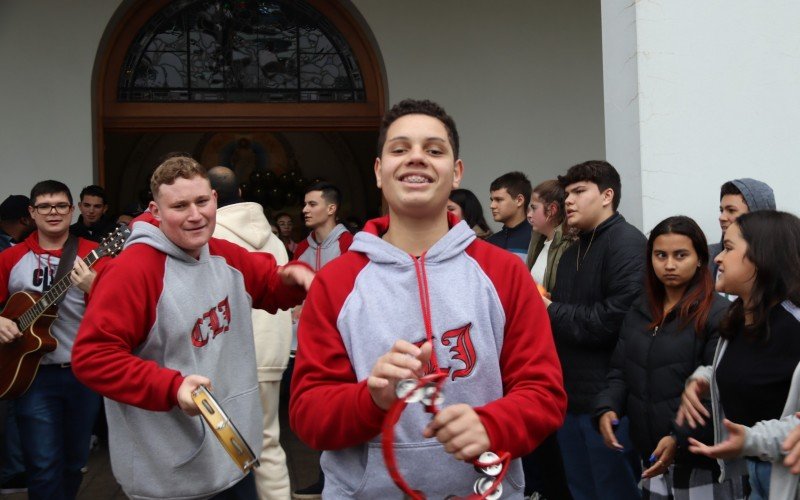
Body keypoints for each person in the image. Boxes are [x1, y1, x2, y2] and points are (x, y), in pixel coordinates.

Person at [289, 99, 566, 498]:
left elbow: (544, 394)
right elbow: (308, 415)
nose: (416, 158)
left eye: (434, 150)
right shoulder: (337, 283)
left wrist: (492, 424)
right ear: (379, 172)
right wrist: (371, 399)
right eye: (400, 149)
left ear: (455, 173)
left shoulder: (503, 274)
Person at [71, 157, 313, 500]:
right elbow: (93, 357)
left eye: (202, 202)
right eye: (180, 206)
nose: (195, 214)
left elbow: (268, 284)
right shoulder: (133, 271)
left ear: (215, 199)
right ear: (155, 210)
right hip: (170, 477)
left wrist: (291, 279)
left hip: (234, 457)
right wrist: (172, 387)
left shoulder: (221, 253)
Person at [594, 216, 745, 499]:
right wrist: (608, 407)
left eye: (681, 255)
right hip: (652, 456)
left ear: (701, 258)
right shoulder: (641, 310)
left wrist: (677, 437)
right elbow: (620, 370)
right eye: (660, 255)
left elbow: (713, 394)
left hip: (702, 460)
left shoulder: (719, 314)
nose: (670, 265)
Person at [677, 210, 800, 500]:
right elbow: (749, 369)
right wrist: (703, 378)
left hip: (788, 480)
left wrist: (749, 440)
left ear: (763, 256)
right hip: (754, 474)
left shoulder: (794, 327)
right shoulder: (740, 316)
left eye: (729, 248)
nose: (718, 258)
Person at [543, 160, 646, 500]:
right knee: (582, 492)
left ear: (606, 195)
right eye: (567, 193)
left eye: (579, 191)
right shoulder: (574, 249)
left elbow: (615, 320)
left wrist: (548, 309)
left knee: (614, 492)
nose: (568, 201)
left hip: (610, 403)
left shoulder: (626, 243)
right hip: (571, 398)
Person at [0, 180, 103, 500]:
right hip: (32, 376)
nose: (53, 212)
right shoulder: (12, 257)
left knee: (74, 463)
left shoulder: (93, 255)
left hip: (82, 372)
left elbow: (119, 311)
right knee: (43, 464)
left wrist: (93, 286)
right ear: (31, 212)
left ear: (72, 211)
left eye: (61, 205)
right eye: (44, 206)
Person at [208, 166, 293, 500]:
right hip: (271, 352)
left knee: (225, 447)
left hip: (232, 358)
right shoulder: (272, 238)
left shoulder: (212, 237)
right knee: (268, 442)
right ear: (241, 194)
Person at [708, 178, 775, 281]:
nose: (722, 217)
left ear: (756, 214)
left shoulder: (784, 263)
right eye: (721, 210)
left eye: (731, 210)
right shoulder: (707, 256)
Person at [525, 179, 573, 293]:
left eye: (534, 208)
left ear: (552, 209)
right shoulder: (539, 241)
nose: (529, 215)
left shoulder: (569, 246)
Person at [294, 182, 353, 271]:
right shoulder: (301, 248)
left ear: (331, 209)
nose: (304, 210)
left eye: (312, 204)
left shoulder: (349, 243)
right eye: (305, 204)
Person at [487, 171, 532, 260]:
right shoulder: (491, 242)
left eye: (498, 200)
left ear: (519, 200)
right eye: (492, 200)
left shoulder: (537, 239)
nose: (492, 205)